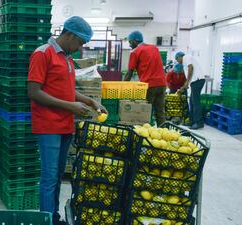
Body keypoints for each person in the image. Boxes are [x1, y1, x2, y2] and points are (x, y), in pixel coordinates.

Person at [27, 16, 107, 225]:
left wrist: (89, 101)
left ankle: (52, 217)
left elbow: (67, 92)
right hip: (48, 126)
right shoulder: (43, 53)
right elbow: (34, 92)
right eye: (80, 42)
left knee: (58, 176)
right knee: (49, 178)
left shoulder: (67, 58)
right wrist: (71, 107)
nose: (80, 47)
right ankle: (45, 221)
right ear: (69, 34)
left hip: (64, 126)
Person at [124, 31, 167, 126]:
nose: (130, 45)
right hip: (162, 84)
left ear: (135, 41)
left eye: (130, 42)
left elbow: (129, 73)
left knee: (145, 112)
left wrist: (123, 87)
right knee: (160, 112)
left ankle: (145, 135)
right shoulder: (154, 48)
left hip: (149, 85)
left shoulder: (135, 52)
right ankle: (164, 134)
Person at [175, 52, 205, 129]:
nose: (177, 61)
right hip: (195, 82)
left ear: (180, 57)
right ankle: (192, 121)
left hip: (197, 81)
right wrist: (185, 86)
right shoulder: (185, 60)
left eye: (177, 59)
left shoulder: (186, 57)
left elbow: (190, 67)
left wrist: (187, 82)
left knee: (195, 102)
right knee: (191, 101)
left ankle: (199, 123)